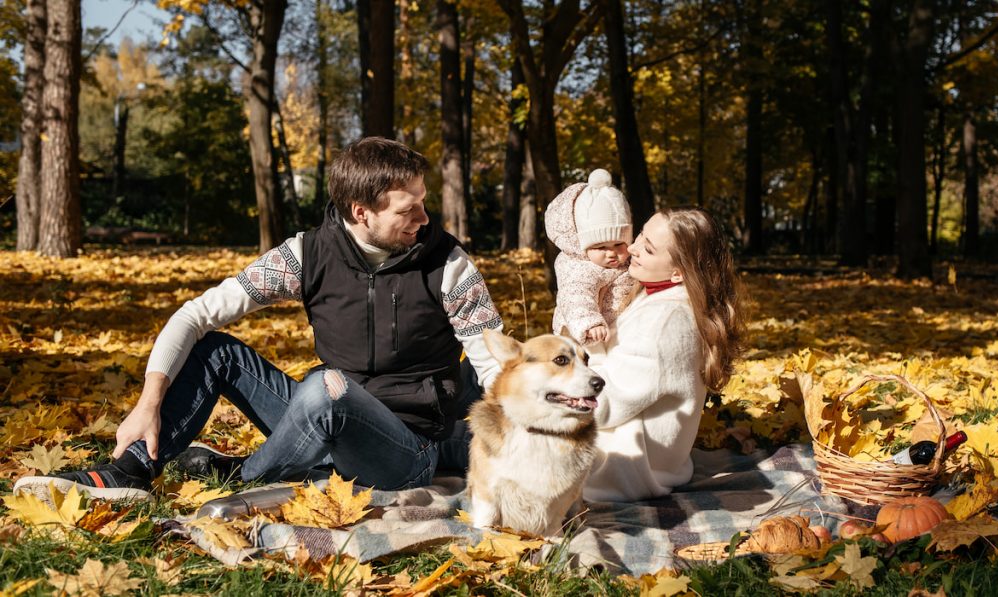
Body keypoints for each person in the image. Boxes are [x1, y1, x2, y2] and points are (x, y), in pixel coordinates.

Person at [14, 137, 504, 503]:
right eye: (409, 208)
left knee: (324, 389)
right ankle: (131, 471)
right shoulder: (305, 255)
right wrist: (148, 401)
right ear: (361, 212)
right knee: (217, 352)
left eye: (422, 201)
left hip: (405, 448)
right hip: (325, 415)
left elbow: (494, 365)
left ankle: (238, 477)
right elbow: (194, 315)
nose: (425, 216)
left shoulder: (449, 264)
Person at [581, 207, 744, 502]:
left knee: (481, 434)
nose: (631, 247)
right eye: (641, 234)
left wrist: (588, 351)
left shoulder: (665, 322)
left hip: (618, 466)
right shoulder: (659, 297)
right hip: (639, 453)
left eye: (648, 248)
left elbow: (600, 407)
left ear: (678, 272)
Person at [544, 169, 633, 349]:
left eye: (619, 244)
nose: (611, 253)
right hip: (586, 338)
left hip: (618, 333)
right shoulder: (579, 268)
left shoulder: (630, 261)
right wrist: (590, 323)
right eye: (601, 247)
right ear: (583, 245)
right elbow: (575, 296)